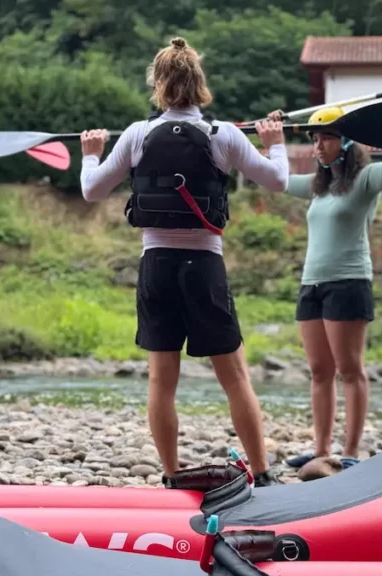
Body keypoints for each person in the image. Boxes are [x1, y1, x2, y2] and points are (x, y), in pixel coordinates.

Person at [79, 37, 288, 488]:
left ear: (159, 85)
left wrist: (90, 154)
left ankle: (172, 475)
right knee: (234, 376)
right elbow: (278, 181)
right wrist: (276, 144)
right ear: (200, 85)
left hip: (156, 267)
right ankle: (263, 473)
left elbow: (92, 190)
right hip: (204, 267)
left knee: (162, 380)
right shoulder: (224, 135)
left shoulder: (137, 134)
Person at [269, 87, 382, 471]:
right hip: (311, 285)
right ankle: (321, 450)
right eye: (315, 139)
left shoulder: (365, 180)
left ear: (345, 142)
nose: (318, 146)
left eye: (326, 138)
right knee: (319, 371)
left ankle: (349, 454)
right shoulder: (317, 187)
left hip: (348, 283)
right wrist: (274, 136)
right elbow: (274, 177)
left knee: (350, 369)